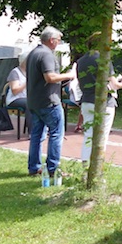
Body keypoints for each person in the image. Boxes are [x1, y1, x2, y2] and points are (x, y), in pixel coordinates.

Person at [26, 26, 77, 178]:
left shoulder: (33, 53)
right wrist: (70, 75)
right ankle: (52, 168)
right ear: (51, 40)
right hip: (49, 102)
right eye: (58, 40)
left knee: (37, 136)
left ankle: (34, 168)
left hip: (34, 102)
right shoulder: (46, 54)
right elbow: (50, 77)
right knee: (56, 134)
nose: (59, 43)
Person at [76, 45, 122, 163]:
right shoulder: (103, 59)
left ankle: (86, 167)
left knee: (88, 135)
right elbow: (115, 84)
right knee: (102, 137)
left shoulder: (80, 61)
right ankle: (97, 167)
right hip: (104, 102)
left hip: (86, 100)